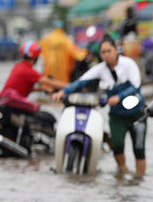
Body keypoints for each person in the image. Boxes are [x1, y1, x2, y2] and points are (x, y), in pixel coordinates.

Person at [52, 35, 147, 175]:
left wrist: (119, 97)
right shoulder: (100, 69)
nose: (106, 55)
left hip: (137, 114)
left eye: (109, 51)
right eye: (103, 52)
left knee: (139, 149)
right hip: (117, 115)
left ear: (116, 50)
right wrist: (63, 92)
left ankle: (140, 179)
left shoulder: (129, 64)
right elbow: (82, 81)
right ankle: (123, 172)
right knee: (117, 146)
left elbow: (136, 86)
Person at [2, 40, 69, 99]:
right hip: (12, 103)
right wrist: (72, 86)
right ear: (36, 56)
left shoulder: (18, 66)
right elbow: (49, 82)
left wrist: (41, 88)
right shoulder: (28, 70)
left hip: (6, 100)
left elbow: (22, 89)